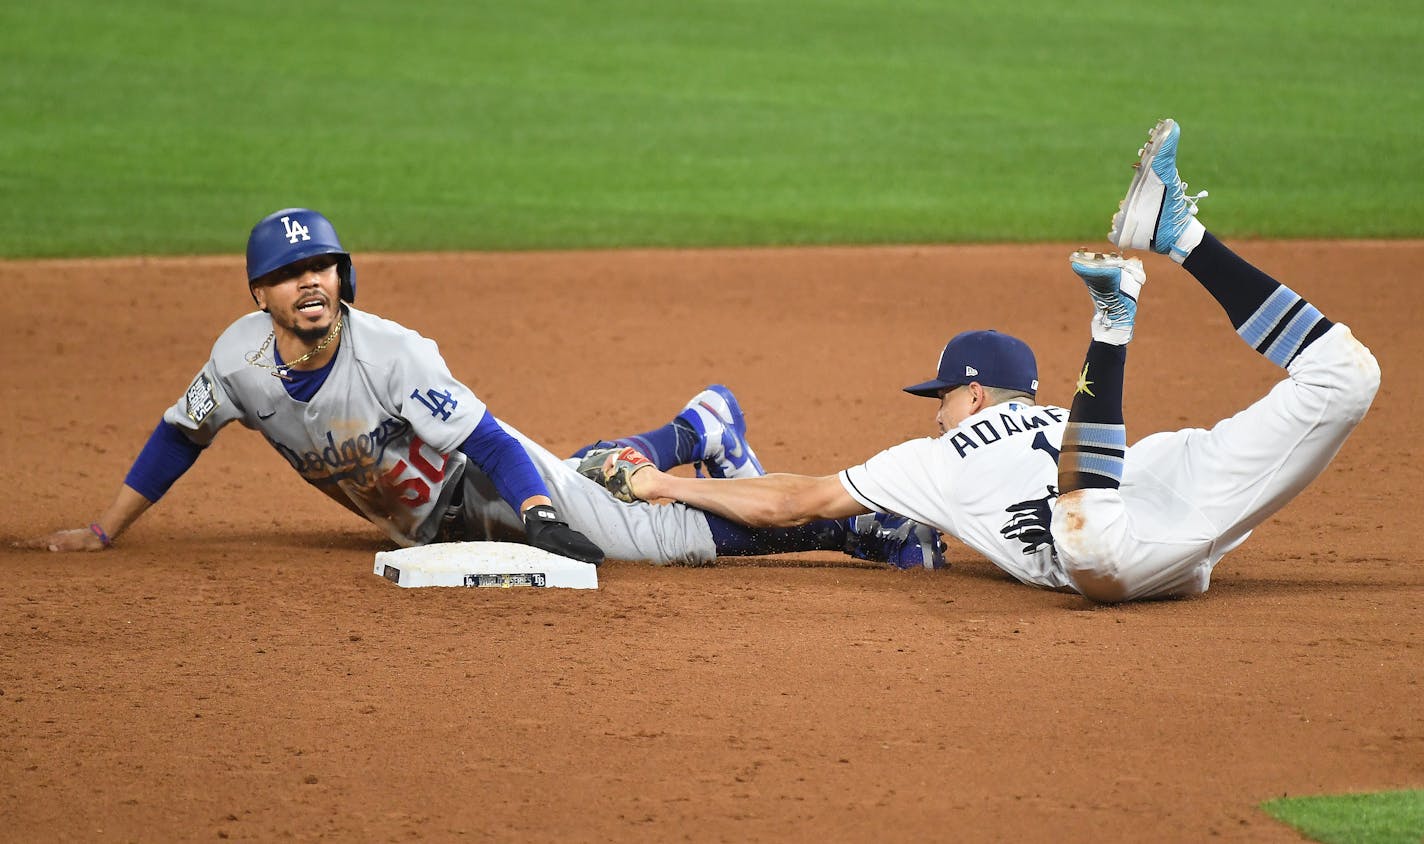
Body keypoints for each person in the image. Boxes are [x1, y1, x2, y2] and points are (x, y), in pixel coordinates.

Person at [583, 118, 1380, 602]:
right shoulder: (1060, 418)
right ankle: (1181, 238)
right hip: (1164, 483)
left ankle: (1113, 321)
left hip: (1105, 537)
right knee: (1349, 376)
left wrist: (653, 482)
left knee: (1093, 537)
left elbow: (796, 500)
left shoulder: (933, 457)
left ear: (970, 395)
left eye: (940, 396)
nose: (933, 411)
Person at [17, 209, 943, 570]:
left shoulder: (395, 354)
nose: (313, 284)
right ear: (259, 296)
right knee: (588, 489)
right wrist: (106, 529)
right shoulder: (236, 364)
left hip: (486, 488)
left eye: (326, 269)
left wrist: (540, 516)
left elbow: (491, 442)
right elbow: (179, 434)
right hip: (433, 517)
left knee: (647, 543)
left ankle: (852, 527)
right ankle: (697, 427)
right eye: (293, 275)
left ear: (345, 278)